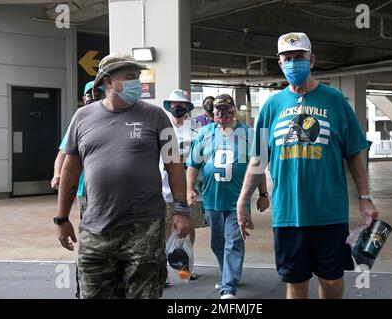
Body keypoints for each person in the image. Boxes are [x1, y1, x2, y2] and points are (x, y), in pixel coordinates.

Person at [236, 32, 379, 299]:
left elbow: (355, 152)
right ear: (280, 64)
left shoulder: (335, 100)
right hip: (288, 214)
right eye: (287, 59)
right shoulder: (271, 106)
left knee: (332, 280)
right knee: (295, 282)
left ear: (311, 60)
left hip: (329, 213)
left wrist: (365, 197)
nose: (293, 63)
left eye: (298, 57)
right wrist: (243, 200)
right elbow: (258, 159)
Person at [54, 52, 191, 299]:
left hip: (144, 227)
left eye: (137, 76)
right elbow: (70, 171)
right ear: (107, 82)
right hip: (95, 229)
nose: (137, 82)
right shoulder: (82, 118)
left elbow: (174, 164)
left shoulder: (156, 116)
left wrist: (181, 210)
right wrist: (61, 218)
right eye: (129, 77)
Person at [187, 94, 269, 299]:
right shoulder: (205, 133)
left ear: (233, 111)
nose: (222, 115)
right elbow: (193, 164)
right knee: (217, 242)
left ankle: (228, 287)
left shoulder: (249, 133)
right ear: (213, 113)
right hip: (212, 198)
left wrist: (263, 193)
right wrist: (189, 189)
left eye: (226, 110)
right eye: (218, 111)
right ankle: (228, 274)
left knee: (233, 240)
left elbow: (257, 166)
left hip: (237, 200)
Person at [160, 89, 206, 283]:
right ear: (168, 106)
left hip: (190, 190)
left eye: (182, 105)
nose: (177, 108)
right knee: (165, 229)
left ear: (188, 107)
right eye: (174, 104)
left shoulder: (198, 129)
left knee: (188, 228)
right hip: (163, 188)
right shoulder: (161, 128)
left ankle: (186, 268)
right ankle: (162, 272)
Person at [51, 80, 105, 219]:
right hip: (85, 190)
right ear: (83, 98)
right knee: (90, 229)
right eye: (89, 95)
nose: (93, 98)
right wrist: (57, 174)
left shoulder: (115, 119)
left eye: (99, 94)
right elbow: (64, 152)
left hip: (112, 189)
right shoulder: (80, 122)